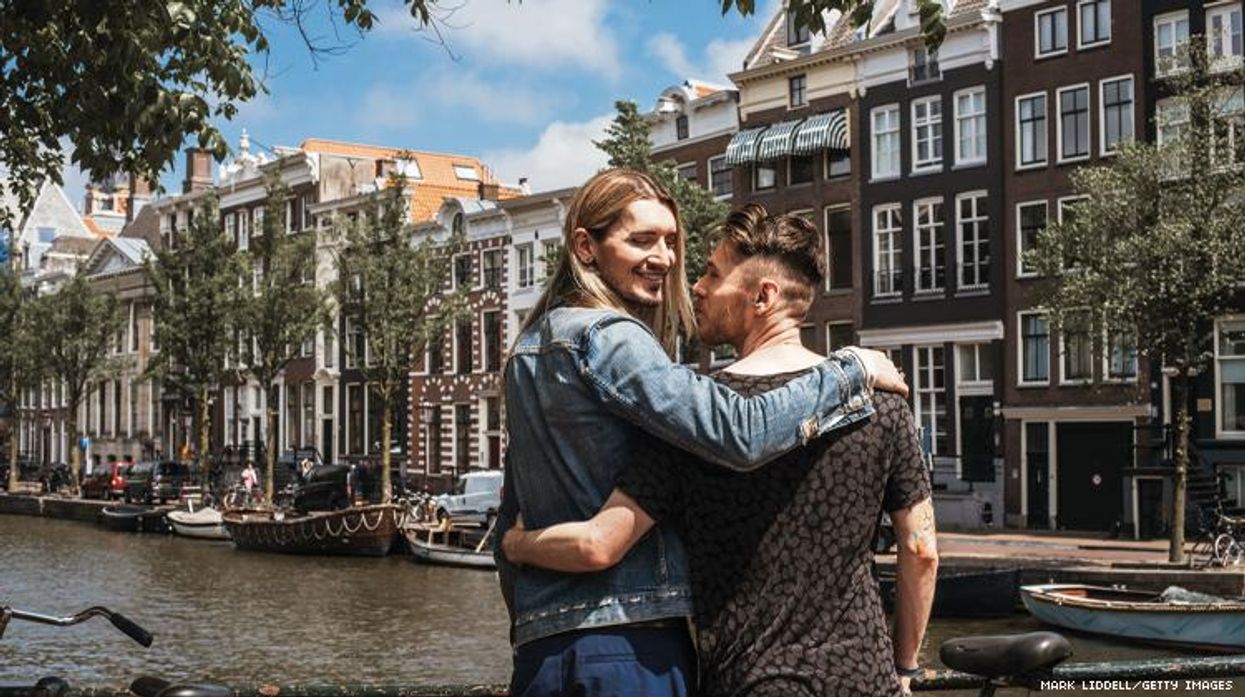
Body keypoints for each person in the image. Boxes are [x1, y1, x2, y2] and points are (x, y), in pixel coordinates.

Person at [495, 170, 907, 697]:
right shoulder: (612, 338)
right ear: (585, 247)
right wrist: (849, 370)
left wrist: (522, 562)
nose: (665, 259)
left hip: (542, 652)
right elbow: (738, 430)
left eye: (670, 241)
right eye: (642, 240)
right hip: (630, 644)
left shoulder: (526, 351)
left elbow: (512, 513)